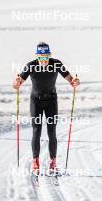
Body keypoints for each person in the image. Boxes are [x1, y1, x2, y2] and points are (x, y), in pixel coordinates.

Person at [13, 42, 80, 175]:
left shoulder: (56, 64)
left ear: (49, 55)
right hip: (36, 101)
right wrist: (16, 83)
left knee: (52, 131)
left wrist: (75, 82)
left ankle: (53, 161)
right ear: (37, 56)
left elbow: (70, 79)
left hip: (51, 101)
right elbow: (19, 81)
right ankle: (36, 161)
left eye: (45, 57)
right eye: (40, 57)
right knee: (37, 130)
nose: (43, 60)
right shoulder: (31, 65)